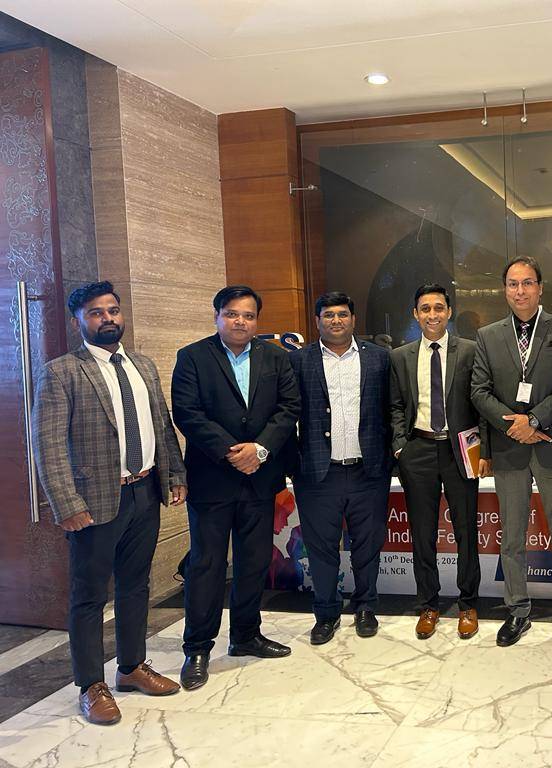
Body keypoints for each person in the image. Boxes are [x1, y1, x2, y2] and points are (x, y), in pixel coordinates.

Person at [32, 281, 186, 725]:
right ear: (78, 321)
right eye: (96, 313)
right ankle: (90, 685)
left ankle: (131, 667)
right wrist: (67, 502)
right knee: (89, 595)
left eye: (113, 310)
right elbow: (48, 444)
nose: (107, 319)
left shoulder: (142, 365)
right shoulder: (62, 372)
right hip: (94, 500)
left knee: (136, 585)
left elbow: (161, 423)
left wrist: (174, 474)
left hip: (144, 491)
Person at [172, 285, 300, 690]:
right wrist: (232, 452)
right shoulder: (192, 357)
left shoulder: (276, 358)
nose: (240, 321)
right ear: (217, 316)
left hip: (260, 478)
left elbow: (288, 408)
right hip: (213, 479)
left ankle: (245, 635)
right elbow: (187, 413)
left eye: (248, 315)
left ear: (257, 321)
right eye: (231, 314)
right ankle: (197, 647)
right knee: (207, 564)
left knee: (254, 561)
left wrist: (259, 449)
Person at [471, 256, 552, 651]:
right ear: (505, 289)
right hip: (509, 448)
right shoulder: (488, 336)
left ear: (540, 287)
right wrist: (514, 426)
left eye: (527, 283)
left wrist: (533, 420)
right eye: (513, 284)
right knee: (512, 535)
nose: (520, 291)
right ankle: (517, 611)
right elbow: (479, 391)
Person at [289, 292, 392, 643]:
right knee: (320, 548)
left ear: (353, 319)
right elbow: (286, 414)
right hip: (318, 472)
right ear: (317, 321)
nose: (336, 320)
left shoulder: (379, 358)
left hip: (368, 470)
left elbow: (391, 408)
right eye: (329, 315)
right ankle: (326, 613)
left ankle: (365, 608)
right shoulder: (298, 361)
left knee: (368, 545)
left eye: (343, 314)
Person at [391, 284, 491, 640]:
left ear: (449, 312)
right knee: (422, 533)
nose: (432, 314)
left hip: (460, 449)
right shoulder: (400, 356)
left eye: (438, 308)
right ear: (415, 314)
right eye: (425, 308)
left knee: (466, 530)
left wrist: (484, 452)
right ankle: (428, 605)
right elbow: (395, 405)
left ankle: (468, 604)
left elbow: (482, 403)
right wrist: (400, 446)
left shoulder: (470, 351)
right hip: (417, 450)